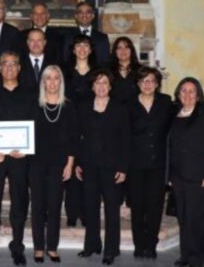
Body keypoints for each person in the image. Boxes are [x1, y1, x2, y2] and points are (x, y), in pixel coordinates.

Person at [0, 51, 36, 266]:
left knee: (19, 203)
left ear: (19, 68)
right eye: (5, 64)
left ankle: (17, 247)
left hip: (20, 157)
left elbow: (35, 126)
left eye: (14, 64)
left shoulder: (31, 94)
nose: (9, 68)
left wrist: (28, 149)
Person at [76, 69, 129, 265]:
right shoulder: (83, 107)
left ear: (110, 86)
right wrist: (78, 163)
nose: (101, 86)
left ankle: (111, 250)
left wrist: (123, 168)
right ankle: (91, 245)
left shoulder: (119, 108)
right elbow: (78, 137)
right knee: (90, 208)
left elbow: (126, 140)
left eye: (105, 83)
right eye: (97, 83)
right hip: (88, 165)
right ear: (92, 86)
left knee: (112, 210)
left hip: (112, 167)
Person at [28, 65, 76, 263]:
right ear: (43, 82)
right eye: (49, 78)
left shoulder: (69, 106)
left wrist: (70, 164)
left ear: (61, 82)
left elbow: (74, 138)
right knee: (38, 206)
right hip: (36, 162)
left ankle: (52, 247)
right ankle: (39, 247)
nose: (53, 82)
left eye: (57, 78)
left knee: (55, 206)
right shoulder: (34, 105)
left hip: (59, 163)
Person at [169, 77, 204, 267]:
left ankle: (197, 260)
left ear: (198, 95)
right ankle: (185, 256)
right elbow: (170, 146)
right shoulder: (174, 114)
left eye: (191, 91)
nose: (187, 95)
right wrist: (170, 176)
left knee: (196, 220)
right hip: (178, 176)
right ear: (178, 94)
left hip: (200, 177)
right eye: (183, 91)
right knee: (183, 218)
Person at [126, 66, 174, 260]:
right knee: (137, 206)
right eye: (143, 81)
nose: (147, 84)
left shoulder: (166, 102)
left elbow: (177, 125)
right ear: (138, 83)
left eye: (151, 81)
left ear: (157, 84)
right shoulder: (128, 104)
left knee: (155, 206)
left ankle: (151, 244)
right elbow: (123, 135)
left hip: (158, 164)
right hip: (135, 164)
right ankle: (139, 244)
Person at [62, 34, 97, 227]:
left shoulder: (98, 74)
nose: (82, 49)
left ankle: (86, 213)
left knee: (87, 172)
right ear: (73, 50)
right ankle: (72, 214)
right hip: (69, 126)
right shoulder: (65, 73)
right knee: (71, 170)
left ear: (91, 50)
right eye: (78, 46)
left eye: (86, 46)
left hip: (92, 128)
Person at [62, 2, 110, 67]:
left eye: (88, 12)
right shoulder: (68, 37)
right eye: (80, 12)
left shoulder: (102, 38)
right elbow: (65, 59)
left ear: (93, 16)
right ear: (76, 16)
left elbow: (105, 62)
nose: (84, 15)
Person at [108, 36, 142, 105]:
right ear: (115, 51)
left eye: (126, 47)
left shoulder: (141, 70)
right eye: (119, 48)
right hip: (113, 109)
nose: (123, 51)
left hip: (135, 109)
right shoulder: (107, 70)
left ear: (131, 50)